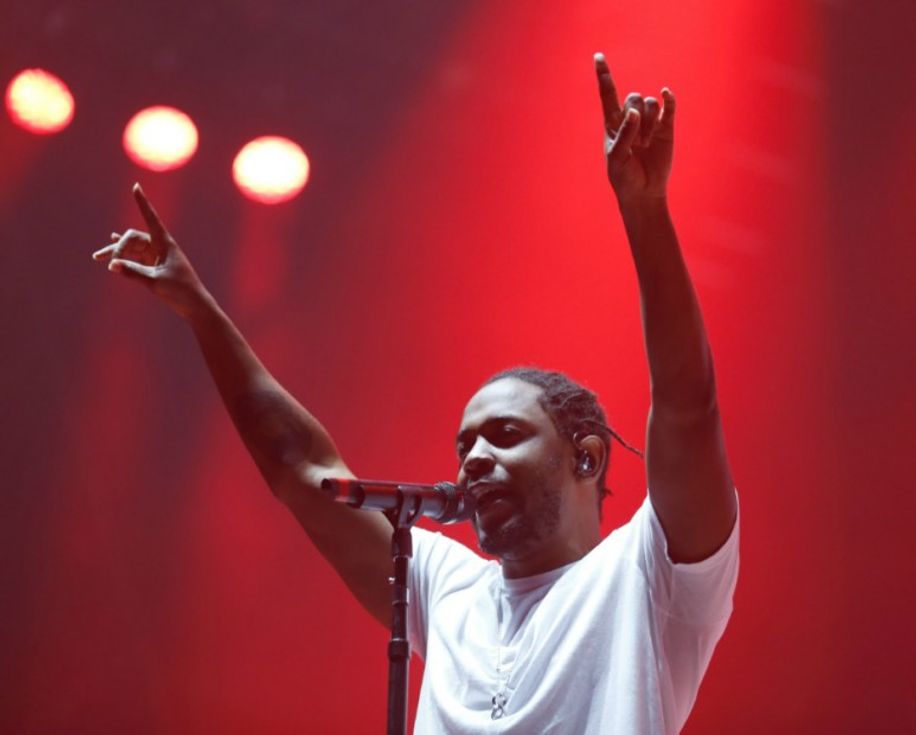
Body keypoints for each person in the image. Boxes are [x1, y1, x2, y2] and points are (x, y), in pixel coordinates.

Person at [93, 53, 739, 735]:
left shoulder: (650, 576)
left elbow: (687, 405)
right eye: (464, 445)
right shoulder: (444, 585)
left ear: (586, 456)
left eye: (506, 435)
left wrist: (644, 211)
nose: (474, 458)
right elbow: (299, 466)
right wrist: (200, 311)